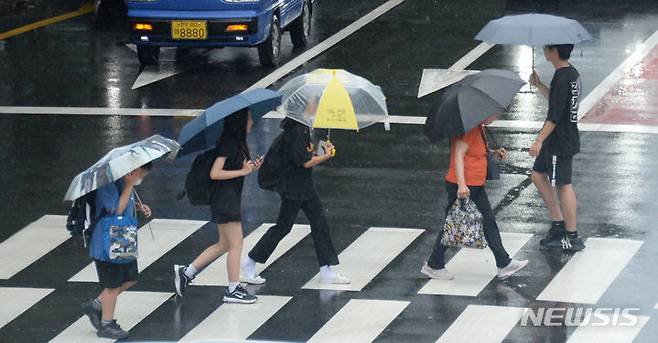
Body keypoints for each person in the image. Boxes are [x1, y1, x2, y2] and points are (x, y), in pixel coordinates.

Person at [240, 104, 349, 285]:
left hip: (303, 187)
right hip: (294, 189)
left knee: (318, 223)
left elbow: (302, 154)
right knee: (285, 227)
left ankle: (325, 268)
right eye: (312, 106)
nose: (315, 109)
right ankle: (250, 261)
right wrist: (326, 156)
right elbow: (303, 162)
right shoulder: (297, 131)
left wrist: (320, 150)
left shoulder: (300, 128)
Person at [422, 114, 528, 281]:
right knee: (457, 224)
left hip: (474, 184)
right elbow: (458, 156)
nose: (496, 117)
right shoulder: (469, 128)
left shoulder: (478, 126)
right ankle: (434, 264)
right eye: (495, 114)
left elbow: (474, 152)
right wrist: (462, 185)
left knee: (475, 223)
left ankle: (503, 262)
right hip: (466, 186)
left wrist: (493, 153)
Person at [173, 109, 261, 304]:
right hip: (224, 200)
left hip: (228, 198)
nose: (252, 122)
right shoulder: (229, 143)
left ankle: (187, 272)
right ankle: (232, 289)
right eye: (248, 118)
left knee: (224, 244)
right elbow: (215, 173)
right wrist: (242, 171)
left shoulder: (237, 143)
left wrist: (250, 168)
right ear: (239, 122)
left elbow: (235, 168)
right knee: (236, 244)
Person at [81, 162, 153, 340]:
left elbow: (124, 203)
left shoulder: (123, 181)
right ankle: (106, 324)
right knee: (112, 285)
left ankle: (96, 305)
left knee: (129, 279)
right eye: (141, 175)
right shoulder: (108, 185)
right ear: (134, 170)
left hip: (122, 240)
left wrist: (137, 206)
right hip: (106, 243)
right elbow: (116, 211)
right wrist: (129, 185)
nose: (141, 179)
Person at [528, 44, 584, 252]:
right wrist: (540, 85)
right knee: (537, 175)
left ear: (554, 52)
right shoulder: (570, 74)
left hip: (558, 140)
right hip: (563, 137)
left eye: (546, 48)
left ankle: (572, 235)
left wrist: (539, 140)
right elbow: (558, 103)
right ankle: (558, 224)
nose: (544, 51)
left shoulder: (561, 78)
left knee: (563, 185)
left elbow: (554, 116)